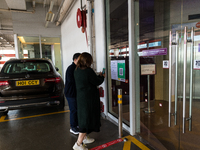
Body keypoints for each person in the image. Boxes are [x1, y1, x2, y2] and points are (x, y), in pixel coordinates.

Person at [73, 52, 105, 150]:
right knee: (86, 120)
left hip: (81, 98)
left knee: (84, 119)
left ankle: (84, 138)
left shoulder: (77, 70)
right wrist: (102, 76)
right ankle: (78, 144)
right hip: (88, 99)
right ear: (88, 60)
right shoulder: (88, 71)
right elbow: (97, 81)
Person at [64, 53, 81, 135]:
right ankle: (73, 127)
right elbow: (72, 81)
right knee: (73, 110)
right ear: (75, 60)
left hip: (74, 93)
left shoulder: (77, 68)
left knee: (76, 110)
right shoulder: (71, 69)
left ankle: (76, 125)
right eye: (80, 60)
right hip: (71, 93)